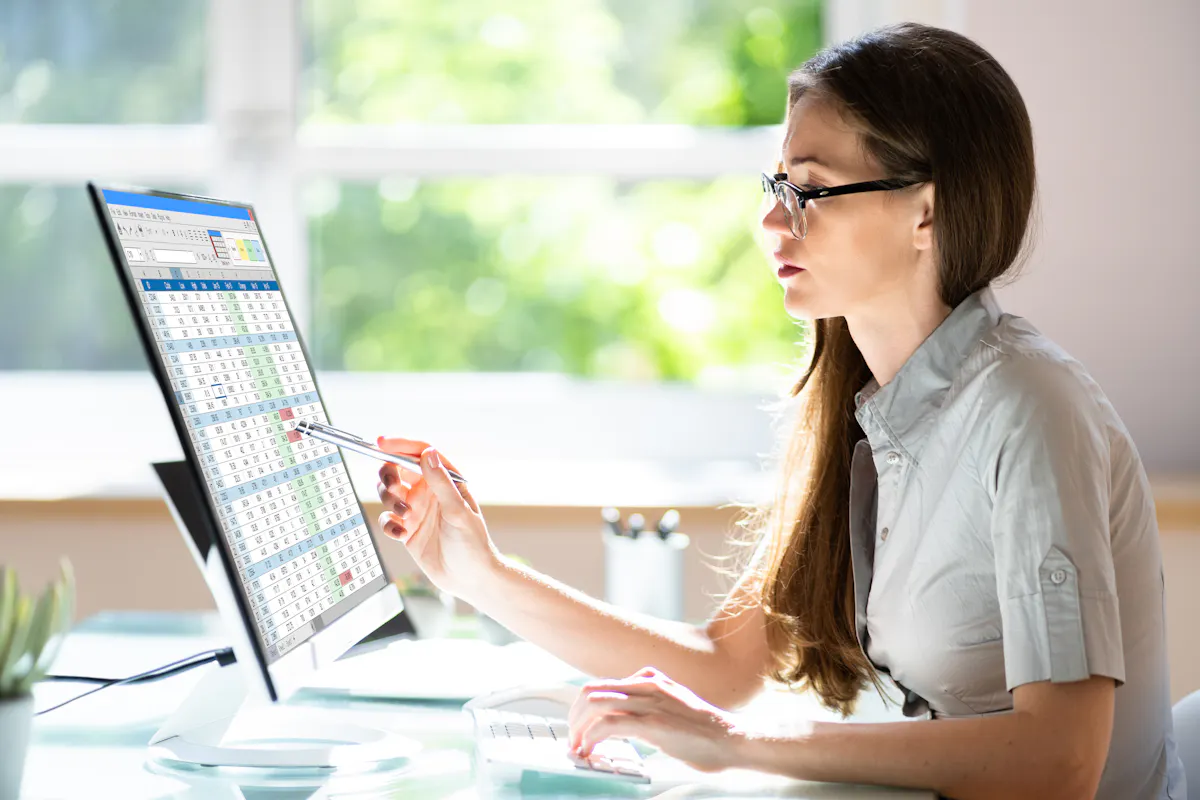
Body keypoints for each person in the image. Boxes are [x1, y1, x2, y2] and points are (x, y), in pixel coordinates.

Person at [373, 22, 1184, 800]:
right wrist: (481, 574)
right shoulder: (868, 414)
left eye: (812, 190)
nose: (770, 222)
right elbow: (722, 666)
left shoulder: (1028, 409)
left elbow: (1059, 767)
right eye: (777, 186)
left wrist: (730, 746)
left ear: (926, 212)